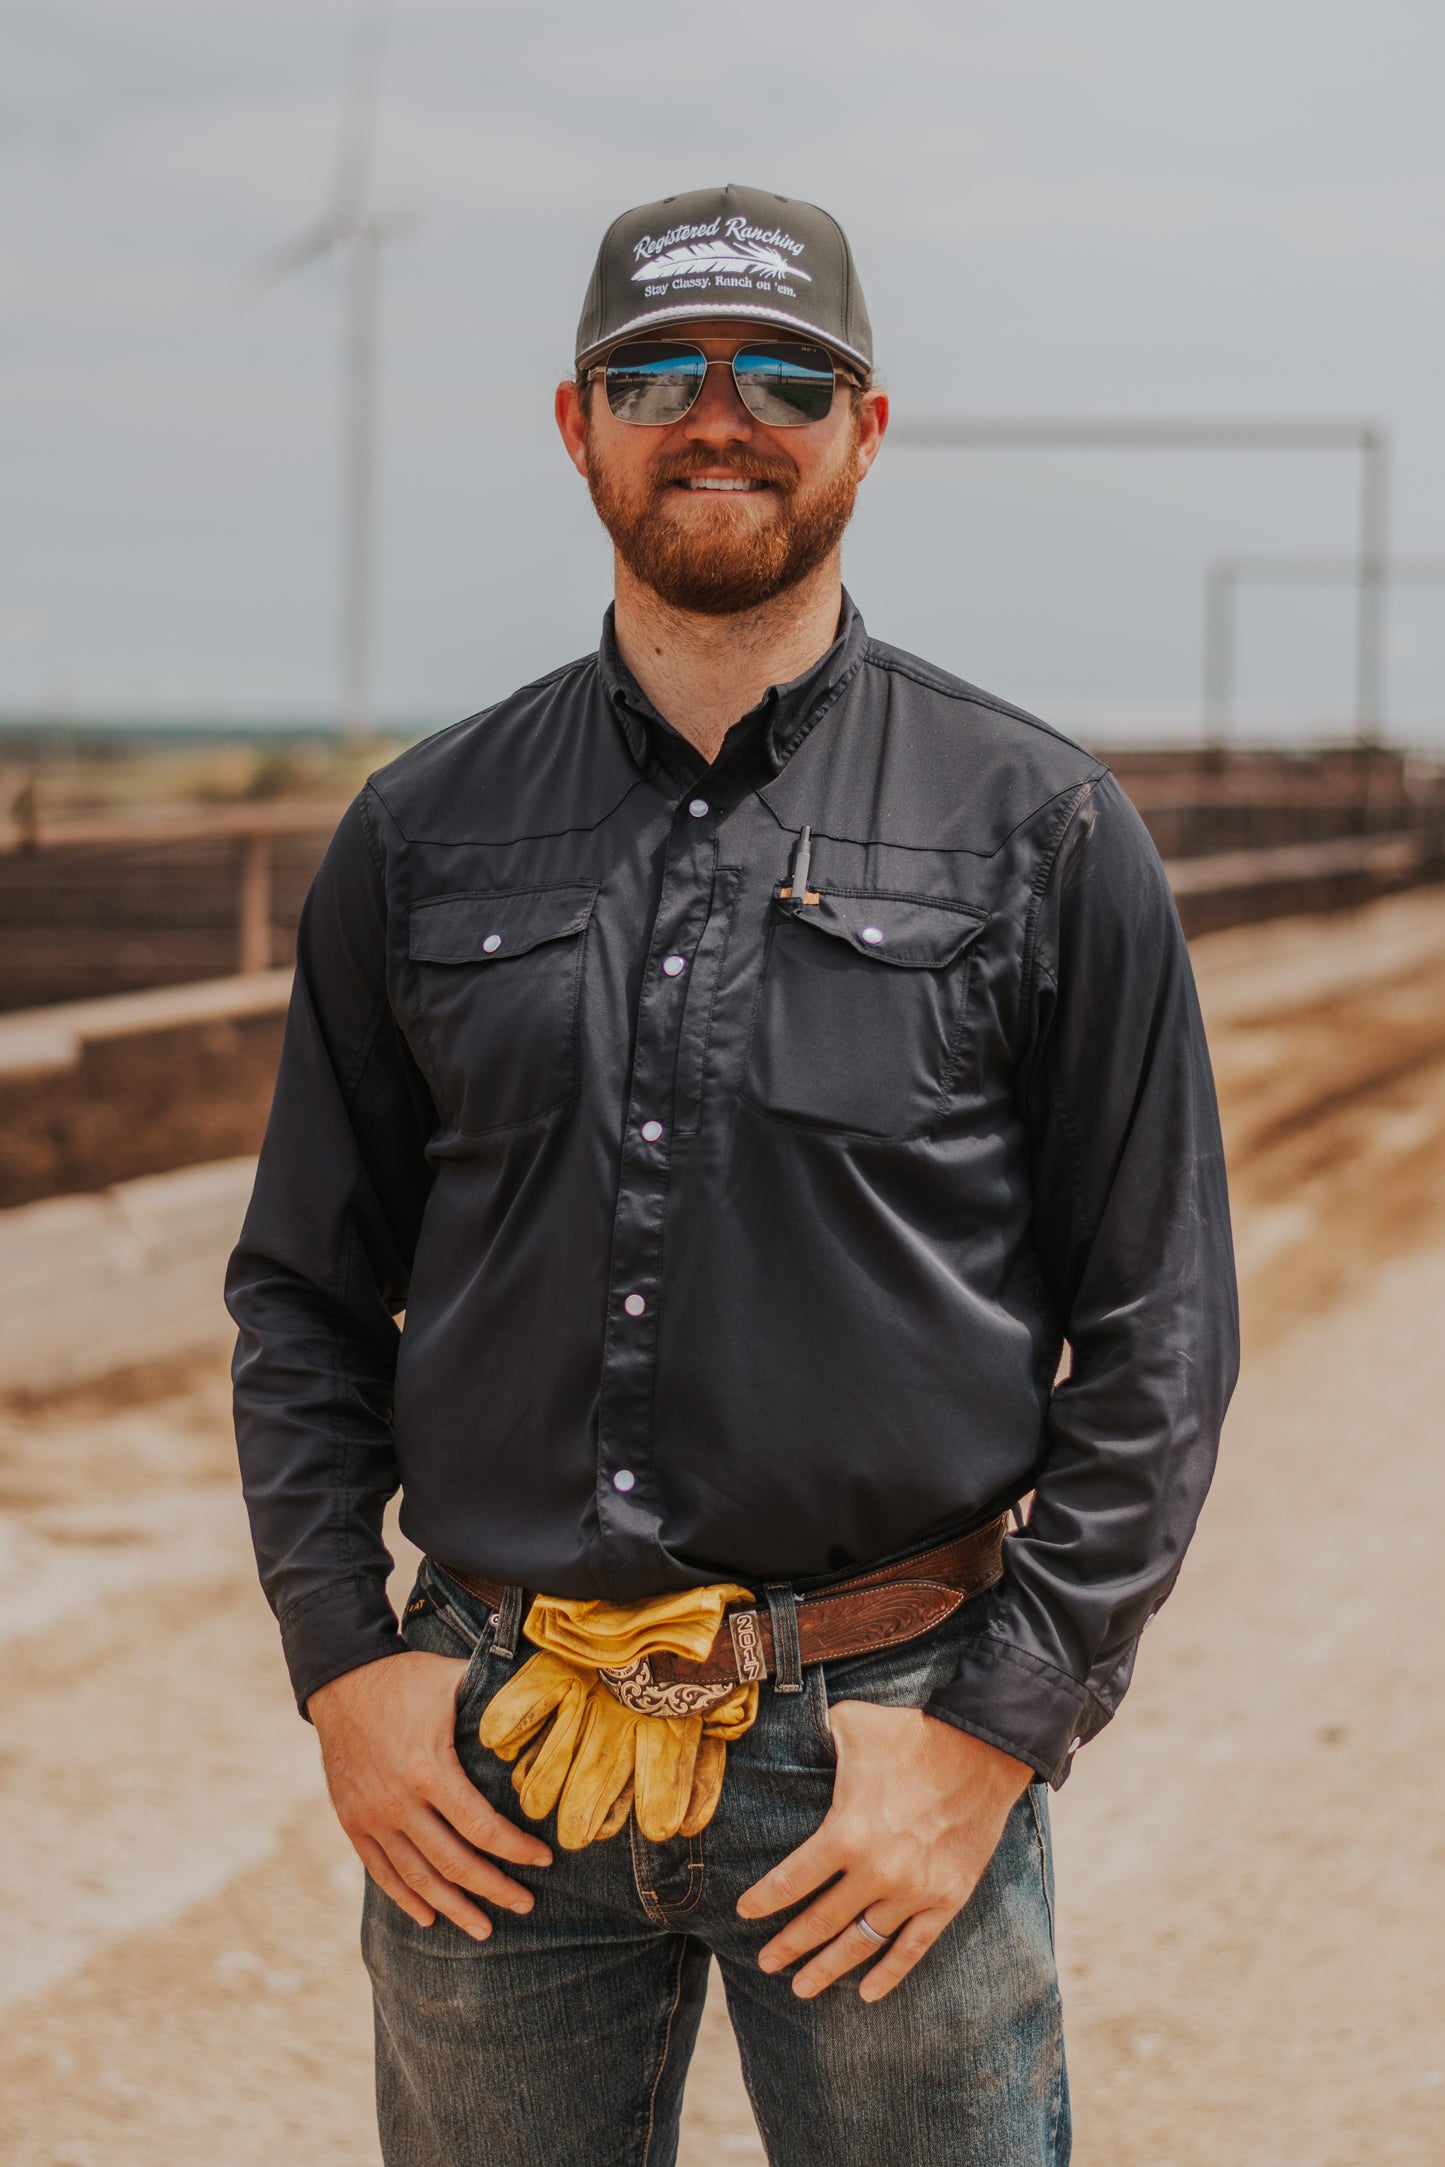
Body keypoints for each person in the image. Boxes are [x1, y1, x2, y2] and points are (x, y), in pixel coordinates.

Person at [227, 182, 1238, 2166]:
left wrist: (989, 1735)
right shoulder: (419, 836)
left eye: (784, 371)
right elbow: (306, 1296)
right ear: (575, 422)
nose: (720, 414)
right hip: (494, 1761)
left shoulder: (1040, 833)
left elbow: (1161, 1334)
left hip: (880, 1754)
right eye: (658, 373)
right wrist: (349, 1662)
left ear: (865, 427)